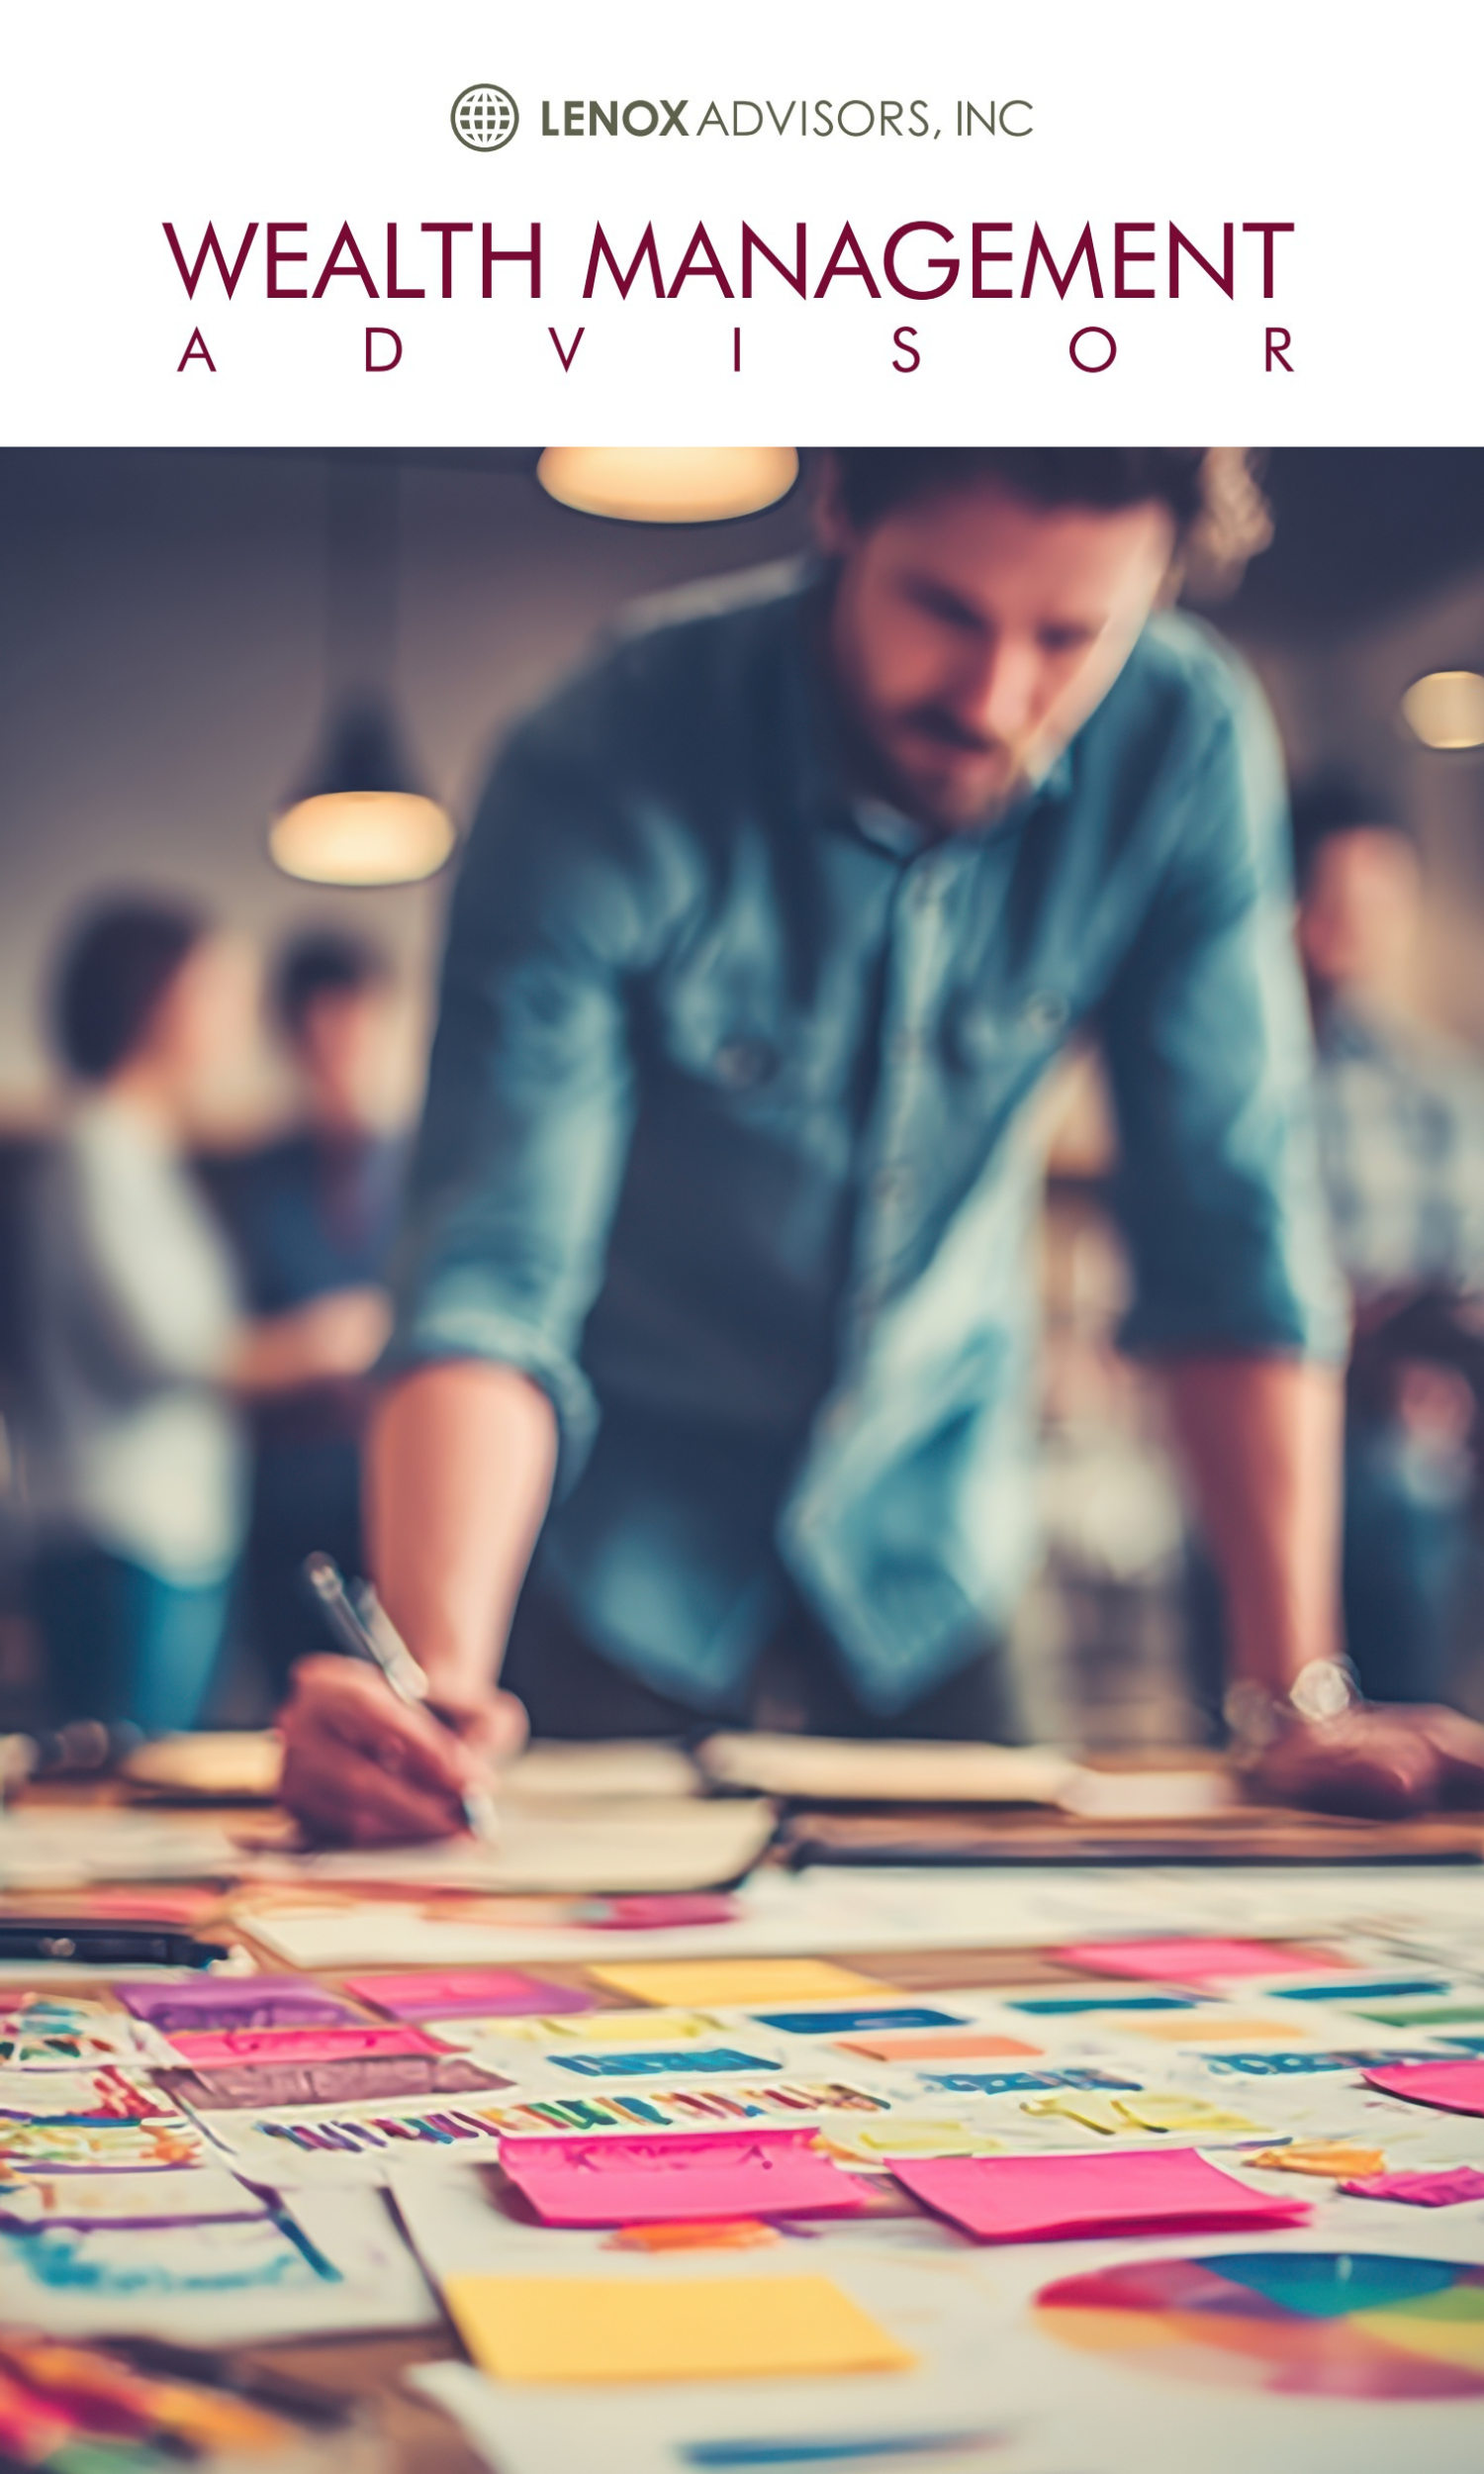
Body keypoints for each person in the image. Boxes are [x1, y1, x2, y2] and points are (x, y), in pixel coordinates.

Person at [276, 448, 1484, 1841]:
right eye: (947, 611)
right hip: (618, 1544)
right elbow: (491, 1265)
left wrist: (1296, 1696)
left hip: (937, 1541)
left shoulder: (1184, 739)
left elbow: (1230, 1219)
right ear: (839, 508)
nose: (993, 699)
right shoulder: (602, 748)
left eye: (1068, 636)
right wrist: (429, 1696)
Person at [22, 900, 390, 1733]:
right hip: (124, 1532)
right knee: (122, 1788)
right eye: (213, 990)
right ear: (158, 1003)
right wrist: (347, 1337)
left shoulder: (139, 1151)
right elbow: (175, 1348)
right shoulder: (97, 1152)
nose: (232, 1016)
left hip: (167, 1528)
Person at [1293, 777, 1484, 1700]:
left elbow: (1462, 1271)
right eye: (1336, 898)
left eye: (1382, 904)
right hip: (1265, 1421)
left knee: (1407, 1698)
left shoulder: (1437, 1085)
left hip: (1393, 1432)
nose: (1358, 925)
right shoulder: (1231, 1082)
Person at [203, 932, 405, 1693]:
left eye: (355, 1034)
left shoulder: (434, 1176)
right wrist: (326, 1347)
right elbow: (219, 1355)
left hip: (399, 1498)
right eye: (321, 1041)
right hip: (287, 1512)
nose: (341, 1061)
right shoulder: (256, 1184)